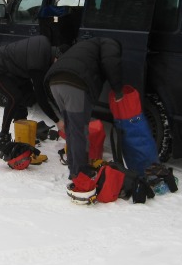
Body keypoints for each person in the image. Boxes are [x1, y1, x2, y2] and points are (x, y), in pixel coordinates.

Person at [45, 37, 124, 181]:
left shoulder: (85, 45)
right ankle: (80, 172)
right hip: (74, 84)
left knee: (71, 128)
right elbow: (110, 61)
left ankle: (74, 167)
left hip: (54, 82)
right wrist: (118, 90)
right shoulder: (110, 42)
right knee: (79, 130)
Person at [0, 35, 64, 153]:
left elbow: (44, 91)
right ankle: (3, 137)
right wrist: (57, 120)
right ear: (55, 57)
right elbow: (42, 96)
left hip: (12, 69)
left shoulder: (45, 47)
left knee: (27, 97)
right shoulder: (39, 62)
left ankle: (22, 135)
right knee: (14, 97)